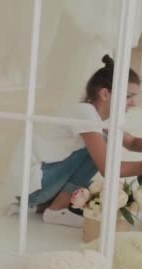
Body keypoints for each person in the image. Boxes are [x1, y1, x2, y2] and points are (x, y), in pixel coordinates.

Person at [7, 55, 142, 227]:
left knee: (97, 173)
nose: (133, 103)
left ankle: (41, 206)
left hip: (34, 188)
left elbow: (131, 143)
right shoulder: (85, 114)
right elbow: (108, 168)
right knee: (101, 145)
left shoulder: (98, 117)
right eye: (128, 96)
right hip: (32, 187)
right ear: (105, 93)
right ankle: (56, 210)